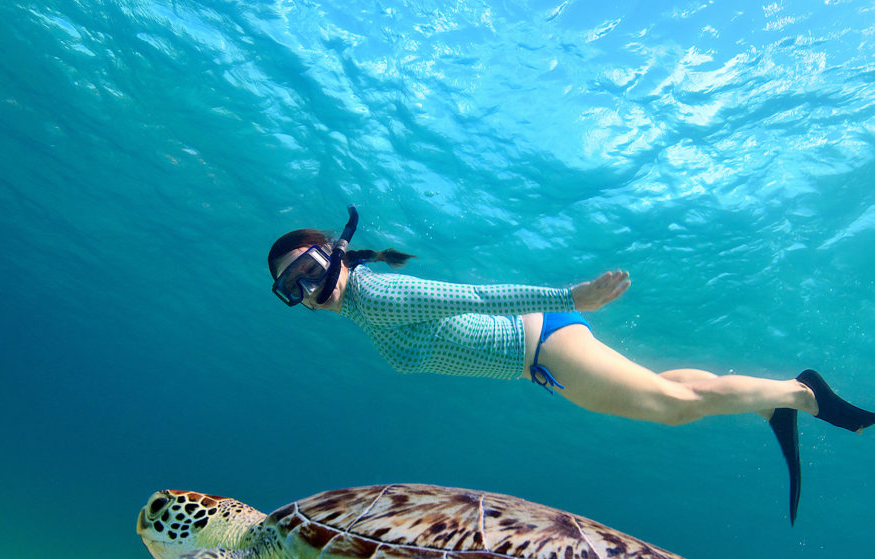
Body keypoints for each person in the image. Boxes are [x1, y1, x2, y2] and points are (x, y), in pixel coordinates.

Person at [267, 213, 875, 524]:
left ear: (335, 255)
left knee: (672, 411)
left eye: (309, 270)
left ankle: (805, 397)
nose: (308, 288)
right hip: (540, 358)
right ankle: (777, 398)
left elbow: (471, 297)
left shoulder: (377, 296)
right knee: (668, 394)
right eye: (292, 288)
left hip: (542, 346)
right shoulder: (363, 308)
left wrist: (569, 297)